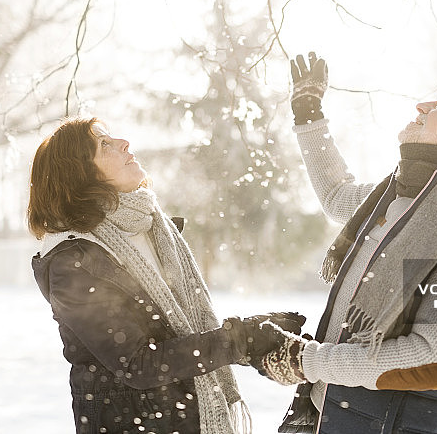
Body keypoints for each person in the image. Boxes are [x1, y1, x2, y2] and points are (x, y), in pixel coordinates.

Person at [250, 53, 437, 434]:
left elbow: (432, 361)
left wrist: (307, 360)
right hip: (328, 418)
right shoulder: (400, 200)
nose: (423, 105)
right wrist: (308, 113)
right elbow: (336, 193)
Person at [27, 117, 305, 434]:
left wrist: (256, 344)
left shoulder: (155, 230)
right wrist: (241, 340)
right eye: (104, 144)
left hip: (188, 420)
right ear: (79, 175)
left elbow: (179, 336)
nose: (124, 143)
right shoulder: (73, 262)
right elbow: (139, 364)